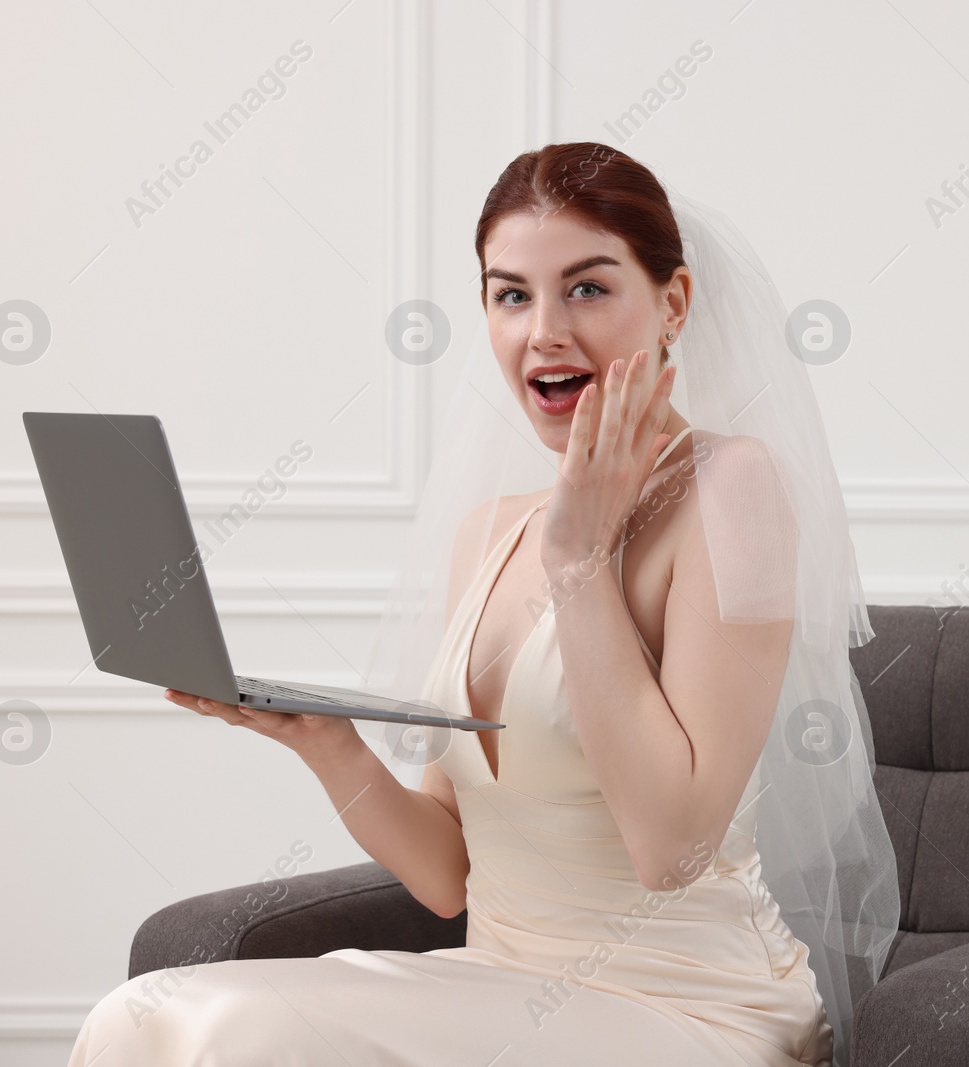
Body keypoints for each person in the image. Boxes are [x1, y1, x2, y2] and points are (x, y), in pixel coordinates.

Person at [67, 142, 898, 1067]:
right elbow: (449, 876)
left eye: (586, 288)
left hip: (689, 1011)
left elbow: (671, 849)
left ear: (672, 305)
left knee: (239, 1036)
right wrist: (324, 742)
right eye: (511, 294)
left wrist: (581, 559)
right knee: (140, 1013)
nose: (543, 331)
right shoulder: (490, 533)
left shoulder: (732, 492)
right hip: (502, 990)